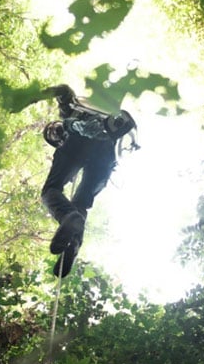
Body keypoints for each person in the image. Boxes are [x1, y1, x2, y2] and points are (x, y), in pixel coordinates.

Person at [40, 85, 136, 277]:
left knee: (51, 190)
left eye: (52, 131)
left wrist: (35, 95)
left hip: (78, 142)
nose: (54, 134)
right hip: (106, 150)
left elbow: (63, 91)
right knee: (81, 203)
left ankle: (69, 218)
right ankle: (73, 242)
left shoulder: (70, 114)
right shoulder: (84, 109)